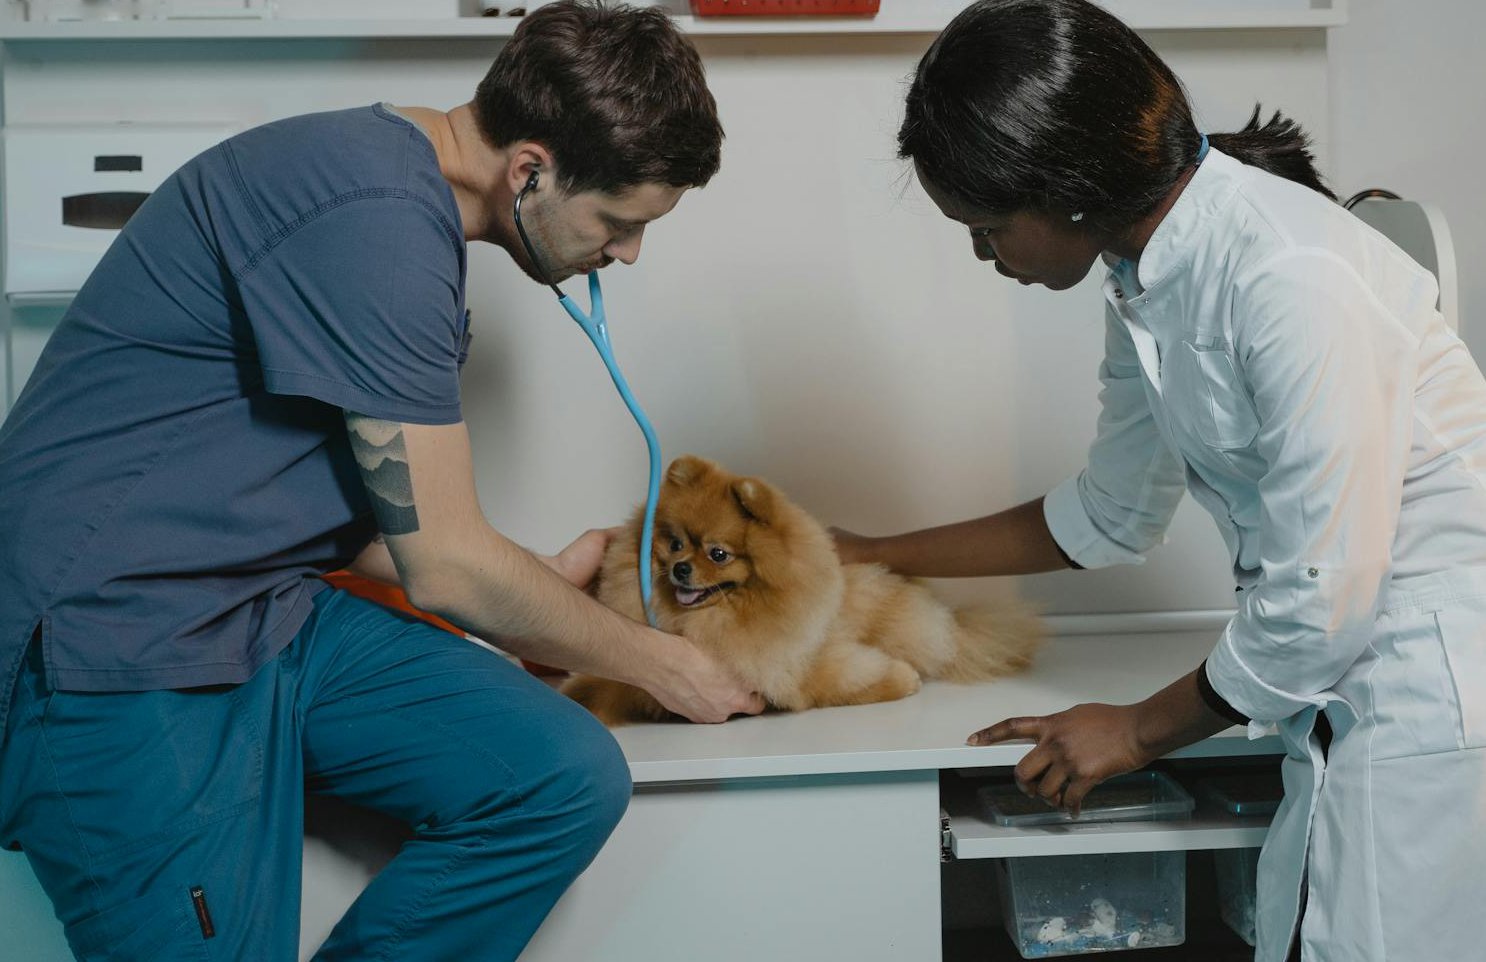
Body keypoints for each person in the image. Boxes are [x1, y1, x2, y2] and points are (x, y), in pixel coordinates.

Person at [0, 3, 764, 959]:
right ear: (529, 170)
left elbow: (360, 503)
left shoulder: (391, 193)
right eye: (617, 221)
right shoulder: (378, 223)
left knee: (558, 776)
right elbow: (445, 566)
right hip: (113, 644)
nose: (627, 253)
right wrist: (662, 663)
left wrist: (529, 583)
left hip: (262, 612)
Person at [833, 2, 1486, 960]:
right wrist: (865, 557)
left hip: (1432, 691)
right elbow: (1111, 513)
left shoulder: (1290, 273)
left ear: (1067, 189)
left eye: (987, 226)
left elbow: (1321, 598)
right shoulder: (1145, 273)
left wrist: (1136, 733)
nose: (985, 255)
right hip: (1347, 691)